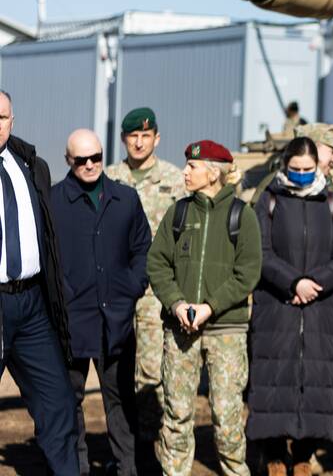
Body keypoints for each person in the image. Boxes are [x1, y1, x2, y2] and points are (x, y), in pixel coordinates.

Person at [146, 140, 262, 476]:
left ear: (213, 173)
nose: (185, 171)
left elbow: (247, 273)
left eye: (192, 167)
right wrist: (176, 303)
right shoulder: (178, 213)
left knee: (226, 416)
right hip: (180, 328)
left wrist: (210, 307)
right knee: (177, 414)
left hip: (226, 331)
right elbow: (157, 263)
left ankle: (235, 470)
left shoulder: (243, 216)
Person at [247, 137, 333, 476]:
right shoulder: (269, 200)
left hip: (319, 307)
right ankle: (275, 452)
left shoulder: (332, 202)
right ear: (284, 166)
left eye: (309, 170)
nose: (303, 176)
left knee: (314, 379)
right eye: (296, 170)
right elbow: (259, 251)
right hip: (277, 305)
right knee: (275, 377)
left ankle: (306, 453)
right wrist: (293, 282)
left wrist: (314, 284)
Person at [53, 128, 151, 476]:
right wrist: (61, 297)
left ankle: (127, 468)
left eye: (96, 157)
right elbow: (46, 260)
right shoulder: (52, 203)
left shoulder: (125, 199)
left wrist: (132, 286)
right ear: (69, 160)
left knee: (121, 401)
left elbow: (143, 249)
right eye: (82, 160)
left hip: (117, 322)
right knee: (70, 402)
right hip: (72, 322)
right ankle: (76, 468)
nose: (91, 164)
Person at [0, 90, 80, 474]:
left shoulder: (31, 165)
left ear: (12, 120)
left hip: (32, 305)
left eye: (1, 117)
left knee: (59, 403)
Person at [105, 106, 187, 450]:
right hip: (117, 286)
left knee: (152, 370)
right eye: (132, 136)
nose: (138, 143)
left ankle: (150, 444)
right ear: (124, 139)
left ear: (156, 138)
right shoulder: (108, 176)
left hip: (156, 289)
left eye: (145, 136)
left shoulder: (175, 179)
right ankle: (122, 445)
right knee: (115, 369)